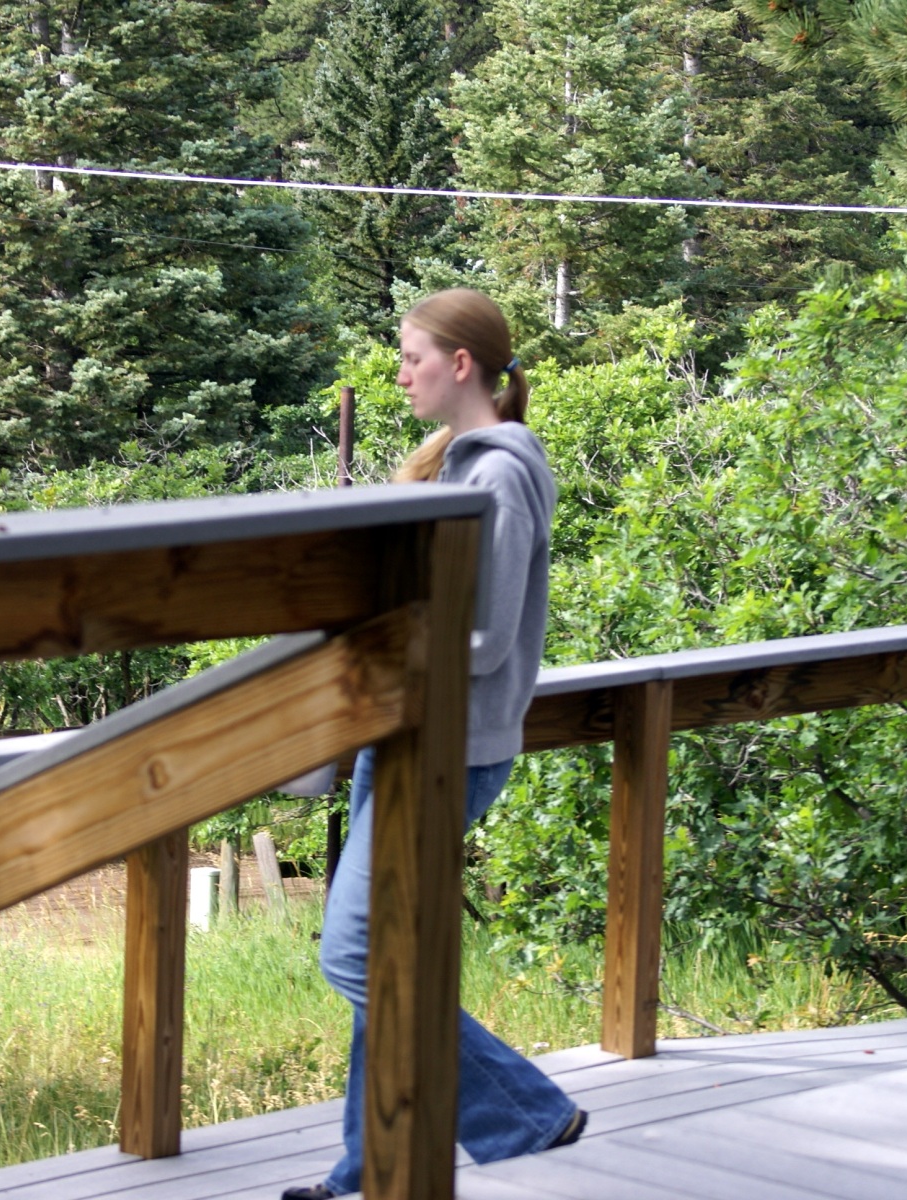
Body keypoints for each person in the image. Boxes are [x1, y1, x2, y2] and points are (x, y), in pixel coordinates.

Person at [282, 289, 583, 1200]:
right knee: (383, 956)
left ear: (459, 364)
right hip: (409, 732)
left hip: (450, 743)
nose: (400, 373)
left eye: (411, 357)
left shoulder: (498, 476)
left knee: (354, 955)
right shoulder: (457, 467)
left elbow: (482, 638)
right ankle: (365, 1167)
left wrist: (377, 646)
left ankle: (525, 1111)